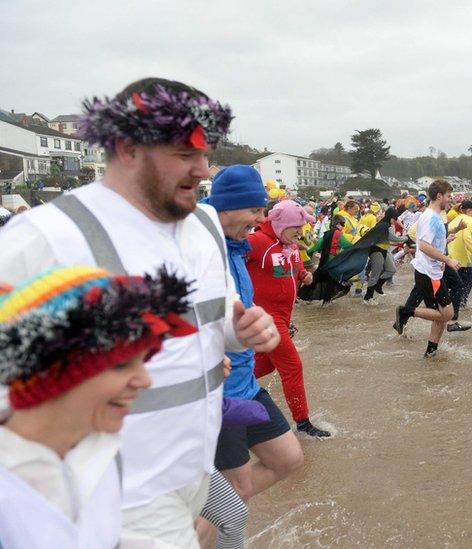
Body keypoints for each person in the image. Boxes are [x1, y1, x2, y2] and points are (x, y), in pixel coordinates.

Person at [0, 78, 280, 547]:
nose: (204, 168)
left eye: (205, 154)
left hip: (194, 468)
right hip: (116, 493)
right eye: (185, 154)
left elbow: (211, 324)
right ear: (128, 147)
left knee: (230, 520)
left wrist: (240, 329)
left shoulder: (203, 228)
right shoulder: (45, 237)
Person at [0, 266, 193, 548]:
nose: (145, 380)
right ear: (52, 374)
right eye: (120, 365)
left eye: (143, 361)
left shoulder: (100, 448)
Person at [201, 167, 304, 510]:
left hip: (246, 383)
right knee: (237, 493)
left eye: (264, 210)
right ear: (226, 208)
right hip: (220, 393)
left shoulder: (235, 245)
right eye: (255, 210)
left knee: (288, 458)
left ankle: (200, 512)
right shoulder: (203, 249)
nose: (261, 218)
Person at [248, 200, 332, 438]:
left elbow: (291, 272)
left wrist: (303, 275)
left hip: (283, 317)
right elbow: (227, 263)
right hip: (265, 318)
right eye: (295, 226)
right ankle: (303, 424)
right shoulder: (257, 242)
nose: (300, 231)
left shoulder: (292, 246)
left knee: (270, 363)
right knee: (292, 366)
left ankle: (223, 386)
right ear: (278, 223)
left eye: (301, 226)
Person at [393, 179, 460, 358]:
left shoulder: (430, 216)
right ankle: (406, 311)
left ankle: (431, 351)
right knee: (447, 314)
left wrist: (445, 241)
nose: (450, 200)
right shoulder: (432, 218)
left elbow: (427, 243)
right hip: (430, 274)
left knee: (439, 315)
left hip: (431, 271)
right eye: (448, 196)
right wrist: (448, 260)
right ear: (439, 196)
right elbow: (423, 247)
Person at [446, 200, 472, 331]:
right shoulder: (468, 219)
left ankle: (448, 308)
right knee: (466, 282)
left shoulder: (455, 219)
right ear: (469, 211)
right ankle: (455, 314)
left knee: (454, 284)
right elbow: (466, 239)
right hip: (463, 258)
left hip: (451, 256)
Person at [363, 206, 408, 303]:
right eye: (394, 219)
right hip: (376, 250)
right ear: (390, 217)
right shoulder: (383, 225)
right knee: (375, 273)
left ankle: (377, 286)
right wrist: (407, 237)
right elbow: (395, 239)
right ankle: (368, 297)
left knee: (391, 270)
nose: (395, 221)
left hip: (384, 250)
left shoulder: (386, 224)